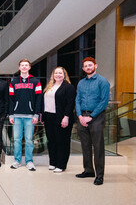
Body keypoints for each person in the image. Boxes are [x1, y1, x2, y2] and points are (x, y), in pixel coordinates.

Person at [75, 57, 110, 185]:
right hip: (82, 117)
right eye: (85, 66)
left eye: (90, 65)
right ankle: (88, 170)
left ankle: (99, 175)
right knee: (85, 145)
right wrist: (79, 116)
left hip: (97, 117)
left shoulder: (103, 81)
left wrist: (91, 116)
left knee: (98, 147)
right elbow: (77, 100)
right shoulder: (81, 83)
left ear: (96, 66)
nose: (88, 67)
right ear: (83, 68)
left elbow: (104, 101)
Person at [9, 59, 42, 171]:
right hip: (17, 115)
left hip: (30, 116)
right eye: (22, 65)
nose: (24, 67)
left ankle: (29, 161)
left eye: (26, 65)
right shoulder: (13, 82)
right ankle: (17, 161)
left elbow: (38, 99)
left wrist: (36, 115)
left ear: (29, 67)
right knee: (17, 139)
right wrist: (11, 115)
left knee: (28, 140)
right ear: (19, 67)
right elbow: (11, 100)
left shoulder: (35, 81)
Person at [42, 67, 75, 173]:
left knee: (62, 141)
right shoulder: (49, 86)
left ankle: (61, 164)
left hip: (61, 117)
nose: (58, 75)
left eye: (60, 73)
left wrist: (66, 117)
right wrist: (43, 115)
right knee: (51, 140)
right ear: (53, 75)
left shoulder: (68, 87)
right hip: (49, 117)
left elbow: (70, 104)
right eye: (56, 73)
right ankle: (53, 162)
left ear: (64, 75)